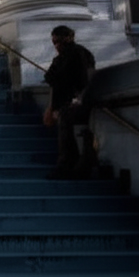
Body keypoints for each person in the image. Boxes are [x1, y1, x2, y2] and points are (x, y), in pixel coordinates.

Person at [43, 25, 96, 179]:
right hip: (67, 102)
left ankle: (67, 165)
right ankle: (71, 164)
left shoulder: (77, 54)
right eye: (54, 43)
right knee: (65, 124)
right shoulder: (61, 58)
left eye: (59, 42)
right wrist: (52, 107)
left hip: (77, 101)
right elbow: (54, 80)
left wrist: (77, 99)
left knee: (66, 124)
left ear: (69, 38)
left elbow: (83, 79)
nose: (57, 46)